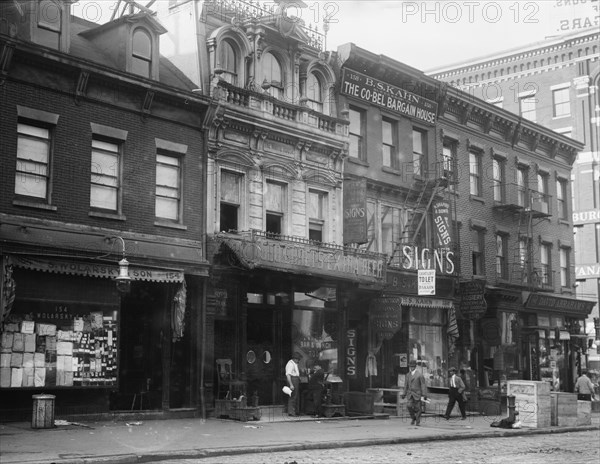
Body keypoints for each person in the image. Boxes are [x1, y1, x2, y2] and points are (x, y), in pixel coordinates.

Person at [402, 359, 427, 426]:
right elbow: (405, 385)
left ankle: (417, 422)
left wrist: (424, 394)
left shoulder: (419, 375)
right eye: (410, 366)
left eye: (413, 366)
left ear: (415, 366)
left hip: (417, 394)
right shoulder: (407, 375)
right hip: (410, 394)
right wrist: (404, 393)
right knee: (409, 406)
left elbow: (423, 385)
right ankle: (413, 417)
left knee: (418, 408)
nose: (411, 367)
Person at [285, 352, 302, 416]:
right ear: (295, 359)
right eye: (298, 359)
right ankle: (291, 412)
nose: (299, 360)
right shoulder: (290, 364)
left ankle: (295, 411)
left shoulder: (295, 364)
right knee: (293, 396)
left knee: (296, 396)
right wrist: (291, 384)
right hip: (293, 380)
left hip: (296, 379)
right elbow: (288, 375)